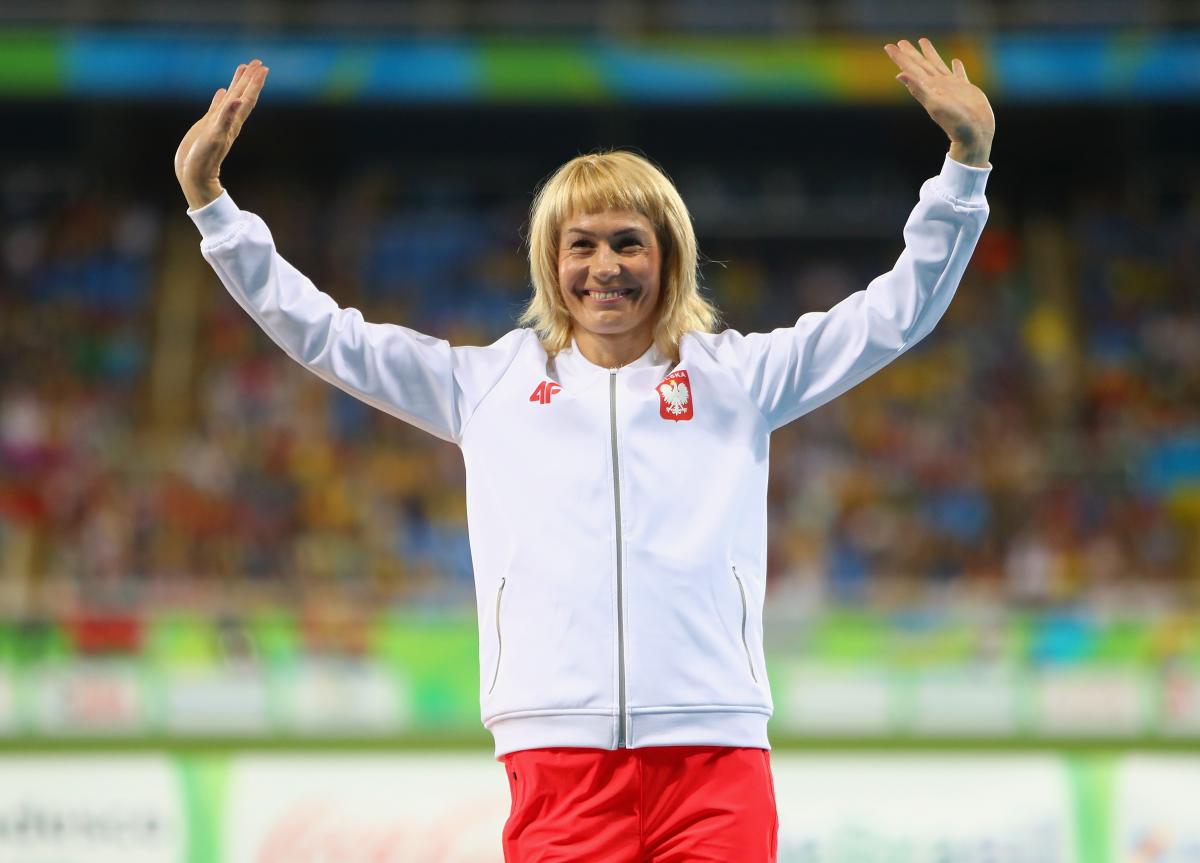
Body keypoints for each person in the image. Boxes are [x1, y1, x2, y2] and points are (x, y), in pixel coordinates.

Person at [174, 36, 994, 863]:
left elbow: (895, 314)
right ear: (551, 261)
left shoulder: (740, 376)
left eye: (629, 242)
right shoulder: (484, 386)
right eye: (583, 244)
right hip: (556, 764)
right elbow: (323, 335)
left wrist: (965, 167)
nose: (606, 266)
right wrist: (212, 205)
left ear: (668, 256)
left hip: (714, 759)